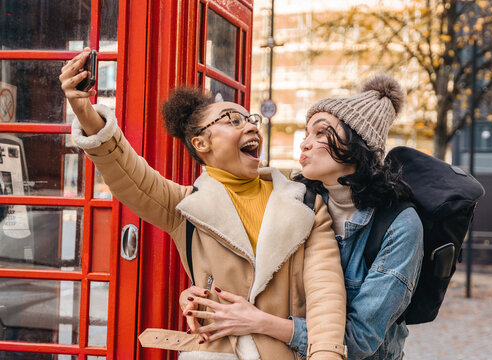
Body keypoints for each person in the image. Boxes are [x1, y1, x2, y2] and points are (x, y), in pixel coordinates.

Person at [59, 49, 347, 360]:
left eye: (250, 119)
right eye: (233, 120)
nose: (251, 126)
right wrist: (82, 109)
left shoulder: (305, 203)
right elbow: (127, 171)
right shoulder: (185, 206)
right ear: (201, 143)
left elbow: (326, 297)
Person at [182, 75, 423, 360]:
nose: (305, 144)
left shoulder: (400, 226)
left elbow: (359, 340)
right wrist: (201, 296)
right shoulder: (300, 200)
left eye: (321, 133)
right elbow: (255, 271)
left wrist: (260, 321)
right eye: (306, 133)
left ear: (359, 143)